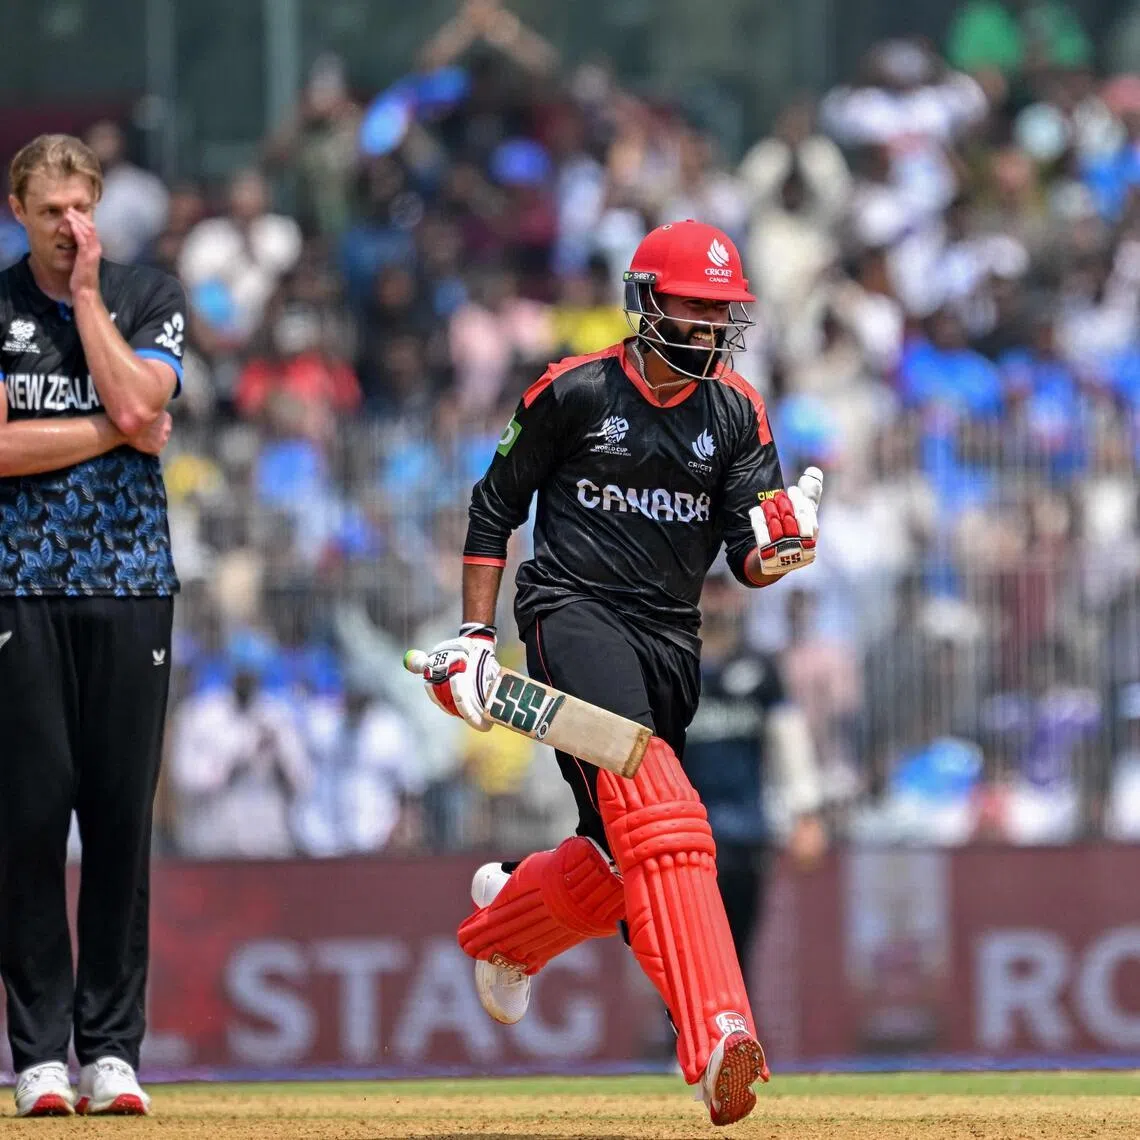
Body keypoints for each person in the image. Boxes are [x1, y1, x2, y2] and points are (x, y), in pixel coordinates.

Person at [413, 219, 822, 1126]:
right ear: (646, 301)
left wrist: (783, 549)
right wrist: (476, 636)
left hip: (672, 641)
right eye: (693, 307)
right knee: (668, 811)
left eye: (723, 313)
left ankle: (511, 924)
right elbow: (493, 509)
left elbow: (749, 559)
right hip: (570, 614)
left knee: (622, 854)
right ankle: (716, 1031)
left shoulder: (736, 412)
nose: (710, 327)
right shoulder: (574, 390)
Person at [0, 134, 185, 1117]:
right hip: (15, 588)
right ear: (18, 212)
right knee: (29, 819)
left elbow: (141, 390)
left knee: (119, 818)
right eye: (50, 214)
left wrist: (83, 304)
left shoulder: (145, 296)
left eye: (83, 210)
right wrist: (116, 430)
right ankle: (38, 1055)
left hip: (131, 581)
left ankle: (111, 1051)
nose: (72, 231)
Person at [686, 563, 826, 979]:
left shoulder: (761, 668)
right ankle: (685, 1040)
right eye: (707, 589)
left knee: (737, 952)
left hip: (745, 832)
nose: (716, 600)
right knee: (683, 955)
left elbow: (789, 740)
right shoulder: (672, 663)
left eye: (723, 590)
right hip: (683, 834)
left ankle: (734, 1041)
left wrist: (805, 814)